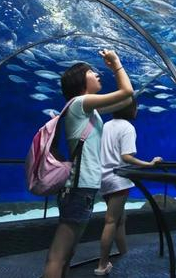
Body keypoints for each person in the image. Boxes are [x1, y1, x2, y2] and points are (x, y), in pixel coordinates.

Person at [43, 50, 134, 278]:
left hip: (84, 187)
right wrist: (116, 64)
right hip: (78, 187)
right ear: (80, 80)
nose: (97, 74)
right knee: (58, 254)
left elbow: (125, 100)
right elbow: (127, 92)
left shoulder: (88, 110)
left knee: (68, 252)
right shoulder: (80, 103)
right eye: (92, 72)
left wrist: (121, 80)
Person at [95, 97, 162, 275]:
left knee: (120, 219)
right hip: (118, 179)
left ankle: (125, 254)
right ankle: (102, 265)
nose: (137, 110)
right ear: (129, 109)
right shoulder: (127, 127)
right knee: (111, 220)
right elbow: (126, 157)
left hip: (103, 177)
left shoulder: (106, 125)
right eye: (136, 107)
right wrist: (148, 164)